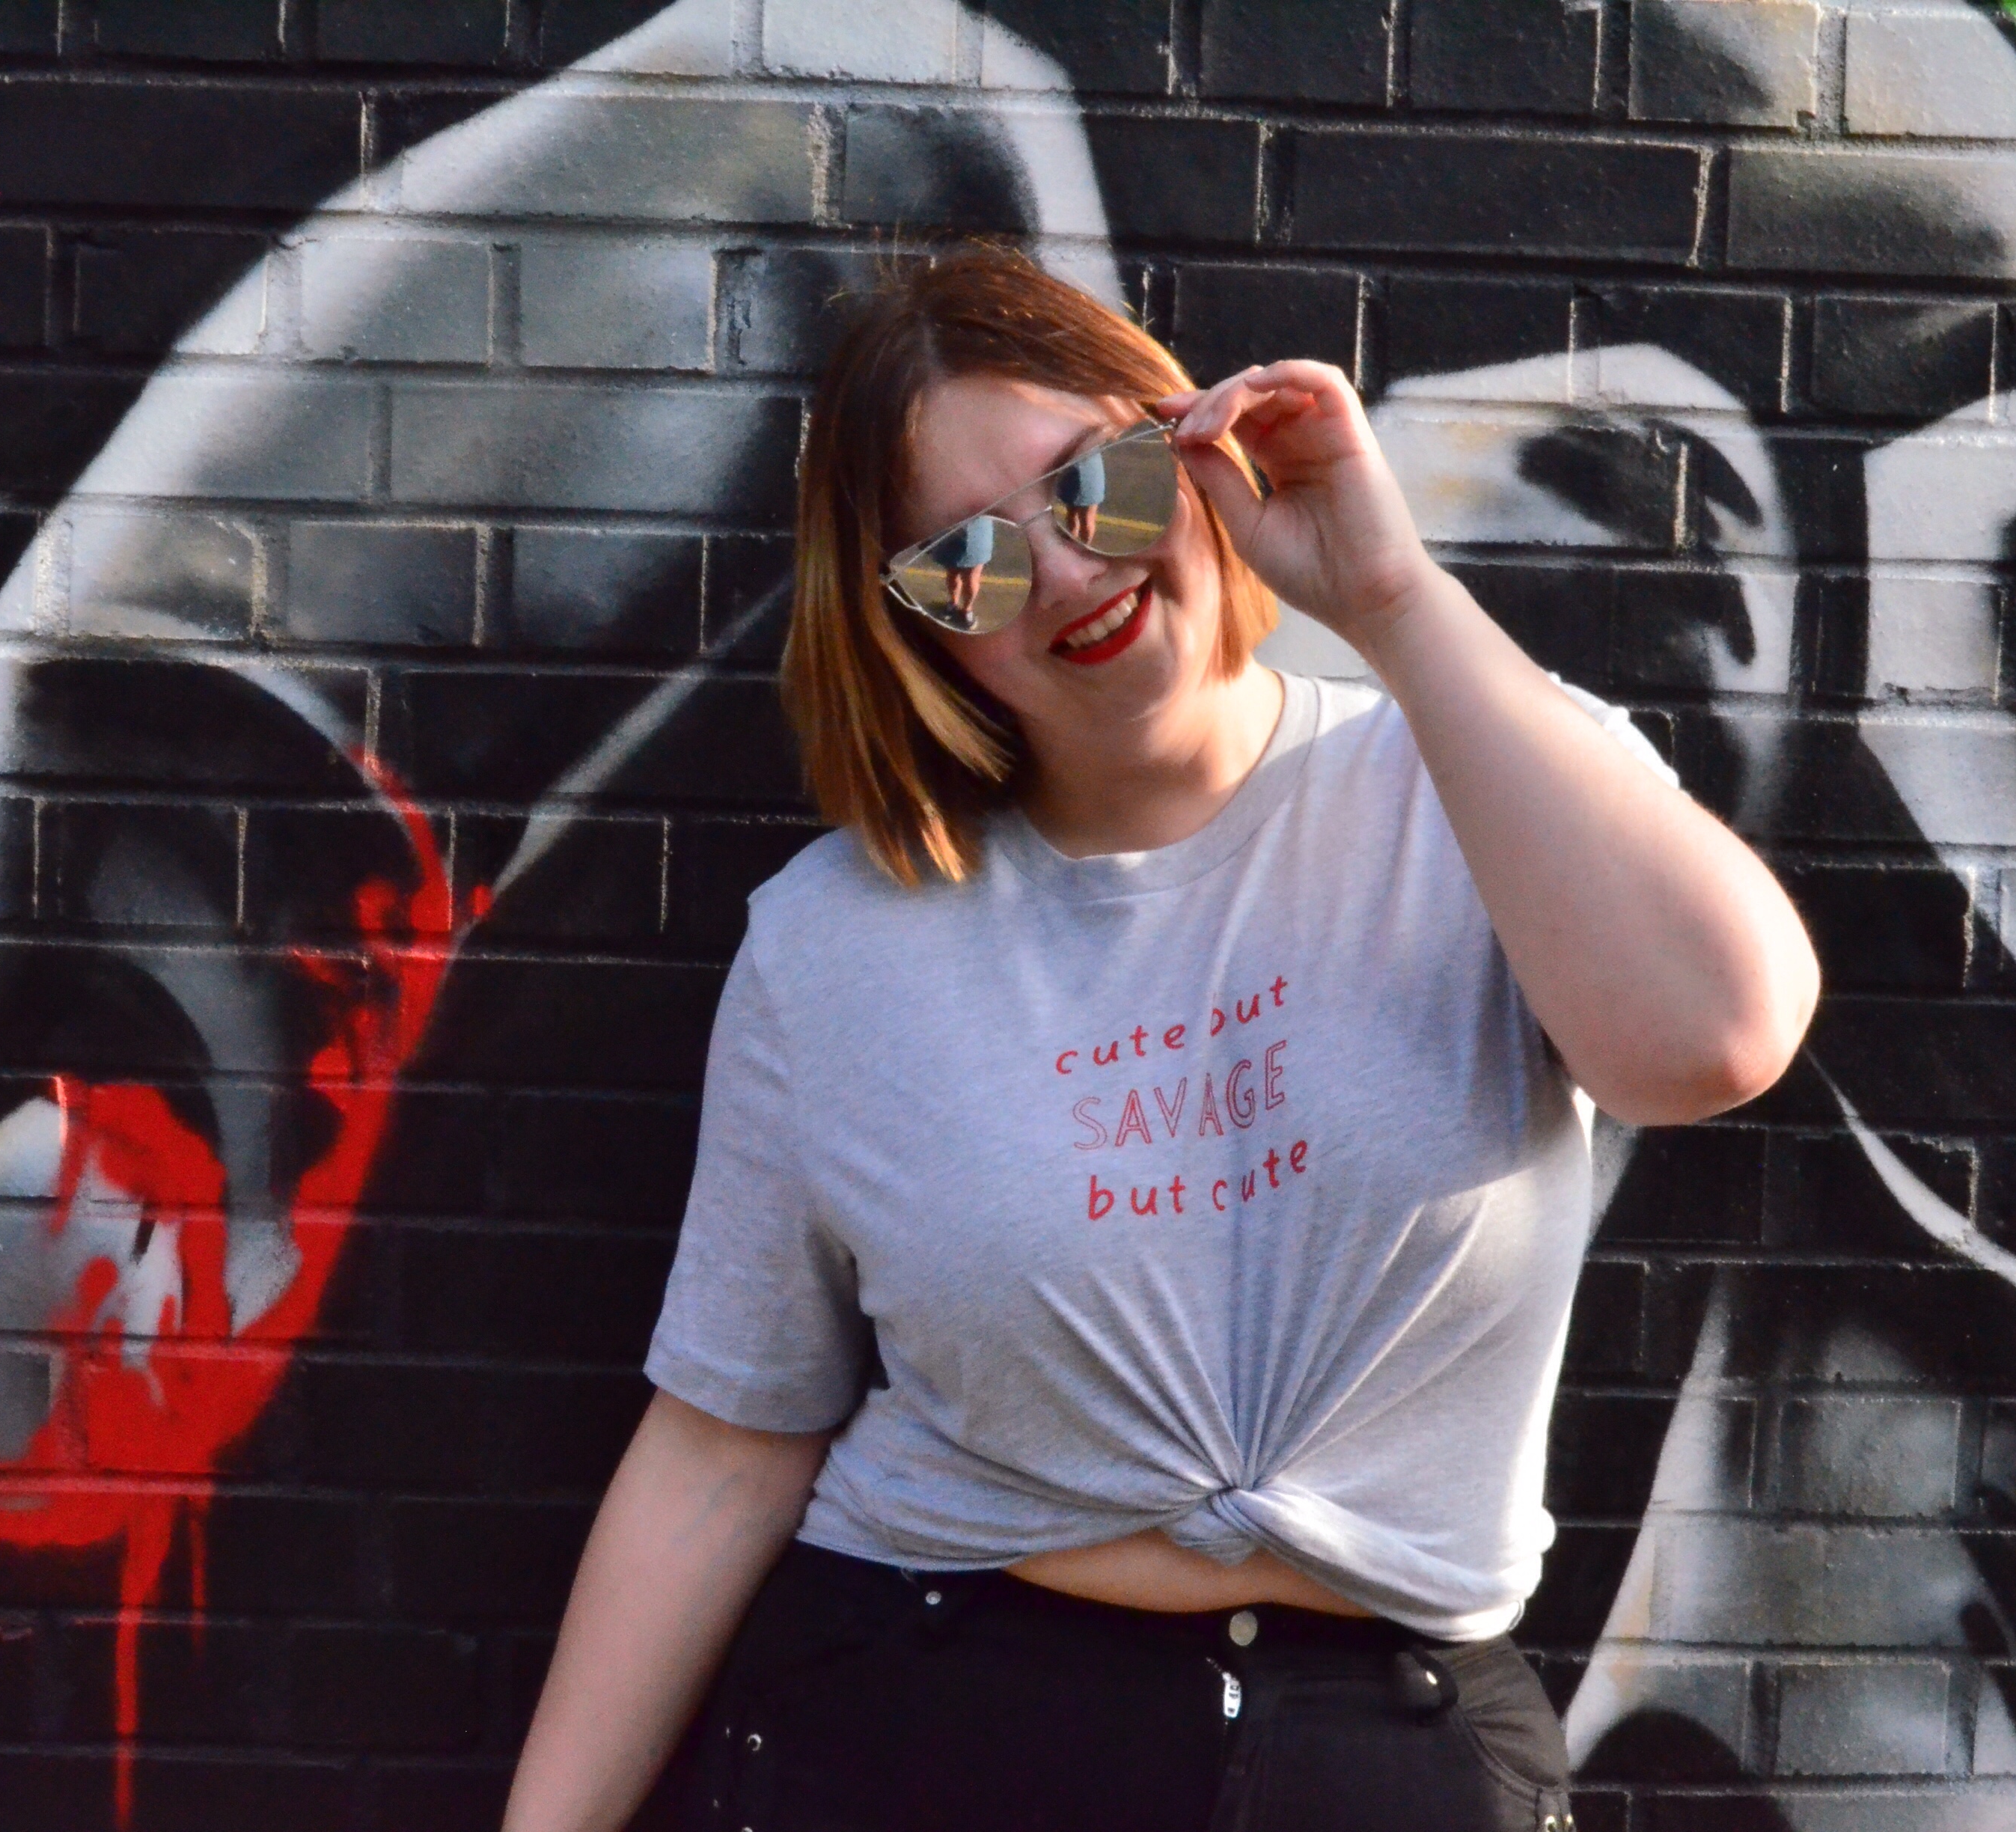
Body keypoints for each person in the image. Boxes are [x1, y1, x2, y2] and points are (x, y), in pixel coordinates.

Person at [499, 247, 1819, 1832]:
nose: (1063, 573)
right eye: (966, 563)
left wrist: (1389, 599)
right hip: (931, 1724)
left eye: (1094, 487)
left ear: (1194, 450)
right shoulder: (836, 941)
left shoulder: (1480, 782)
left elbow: (1715, 1040)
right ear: (915, 629)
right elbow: (725, 1442)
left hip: (1390, 1749)